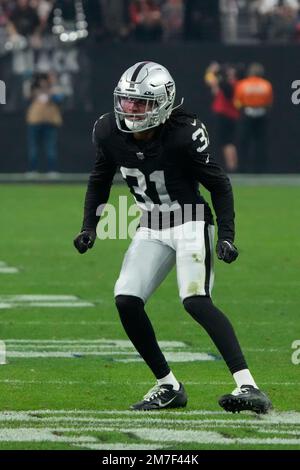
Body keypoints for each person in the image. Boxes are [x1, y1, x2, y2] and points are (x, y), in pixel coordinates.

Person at [74, 61, 272, 414]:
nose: (131, 110)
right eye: (127, 101)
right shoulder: (108, 130)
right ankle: (168, 386)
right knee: (126, 299)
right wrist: (89, 226)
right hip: (151, 224)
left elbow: (219, 185)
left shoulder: (183, 133)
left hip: (191, 221)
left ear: (163, 103)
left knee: (195, 299)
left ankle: (248, 385)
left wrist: (226, 235)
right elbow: (99, 178)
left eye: (141, 103)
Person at [234, 63, 273, 173]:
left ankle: (242, 168)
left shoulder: (242, 84)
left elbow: (237, 102)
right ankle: (260, 169)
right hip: (261, 114)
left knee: (244, 142)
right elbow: (269, 102)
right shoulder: (266, 85)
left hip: (247, 113)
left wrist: (242, 109)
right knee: (260, 143)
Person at [26, 72, 63, 176]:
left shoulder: (54, 90)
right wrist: (32, 85)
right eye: (41, 80)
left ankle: (52, 170)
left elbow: (59, 99)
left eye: (45, 80)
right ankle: (32, 170)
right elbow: (26, 97)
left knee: (50, 147)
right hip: (35, 121)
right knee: (33, 147)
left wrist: (52, 86)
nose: (43, 82)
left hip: (50, 122)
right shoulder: (33, 90)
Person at [204, 62, 240, 172]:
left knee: (227, 142)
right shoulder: (236, 84)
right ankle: (233, 166)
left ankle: (231, 167)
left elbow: (210, 80)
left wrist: (211, 71)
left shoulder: (227, 85)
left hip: (225, 115)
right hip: (232, 115)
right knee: (230, 142)